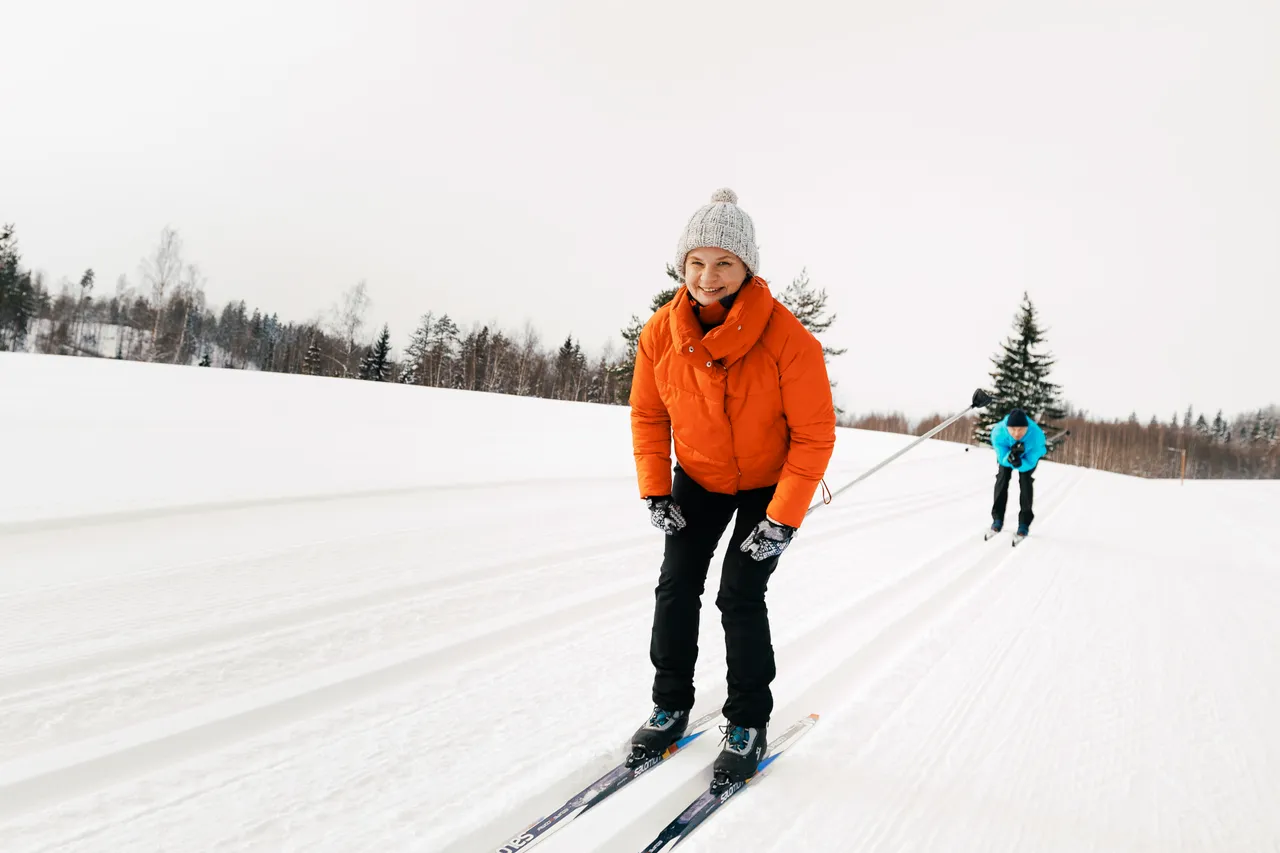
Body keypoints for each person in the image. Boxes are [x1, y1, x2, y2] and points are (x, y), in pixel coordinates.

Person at [627, 188, 837, 788]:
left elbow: (815, 436)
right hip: (697, 477)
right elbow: (647, 415)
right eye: (696, 262)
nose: (708, 276)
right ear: (681, 265)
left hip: (766, 488)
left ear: (747, 268)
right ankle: (670, 706)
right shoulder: (660, 334)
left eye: (724, 263)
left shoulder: (789, 340)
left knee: (739, 595)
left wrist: (782, 520)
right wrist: (655, 490)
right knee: (676, 586)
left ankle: (747, 721)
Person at [989, 408, 1047, 538]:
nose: (1016, 433)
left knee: (1025, 481)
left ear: (1026, 428)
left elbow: (1032, 461)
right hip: (1007, 454)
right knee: (1002, 478)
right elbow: (1001, 455)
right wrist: (1010, 457)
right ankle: (997, 519)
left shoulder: (1036, 437)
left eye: (1021, 429)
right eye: (1013, 429)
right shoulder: (998, 433)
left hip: (1027, 458)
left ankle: (1024, 523)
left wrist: (1020, 463)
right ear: (1007, 428)